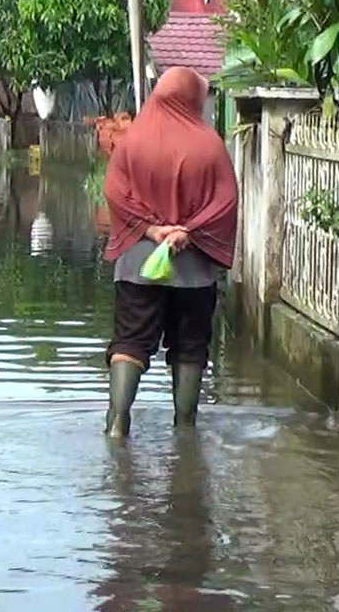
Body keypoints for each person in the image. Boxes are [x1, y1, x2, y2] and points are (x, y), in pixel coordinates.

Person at [101, 67, 239, 438]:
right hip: (193, 271)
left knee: (130, 341)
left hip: (137, 265)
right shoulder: (209, 145)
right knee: (191, 346)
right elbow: (226, 201)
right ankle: (185, 426)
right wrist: (187, 233)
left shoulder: (133, 141)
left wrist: (150, 229)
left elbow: (115, 192)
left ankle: (118, 422)